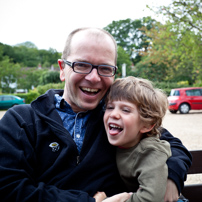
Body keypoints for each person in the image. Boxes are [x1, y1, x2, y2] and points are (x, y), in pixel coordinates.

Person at [0, 27, 192, 202]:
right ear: (62, 69)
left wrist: (171, 178)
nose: (93, 77)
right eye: (81, 65)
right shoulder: (21, 121)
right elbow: (9, 187)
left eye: (105, 68)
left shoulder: (115, 119)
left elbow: (171, 145)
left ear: (114, 74)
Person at [101, 76, 171, 201]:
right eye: (110, 107)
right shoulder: (121, 143)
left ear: (147, 125)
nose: (114, 114)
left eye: (126, 110)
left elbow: (151, 198)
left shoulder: (150, 151)